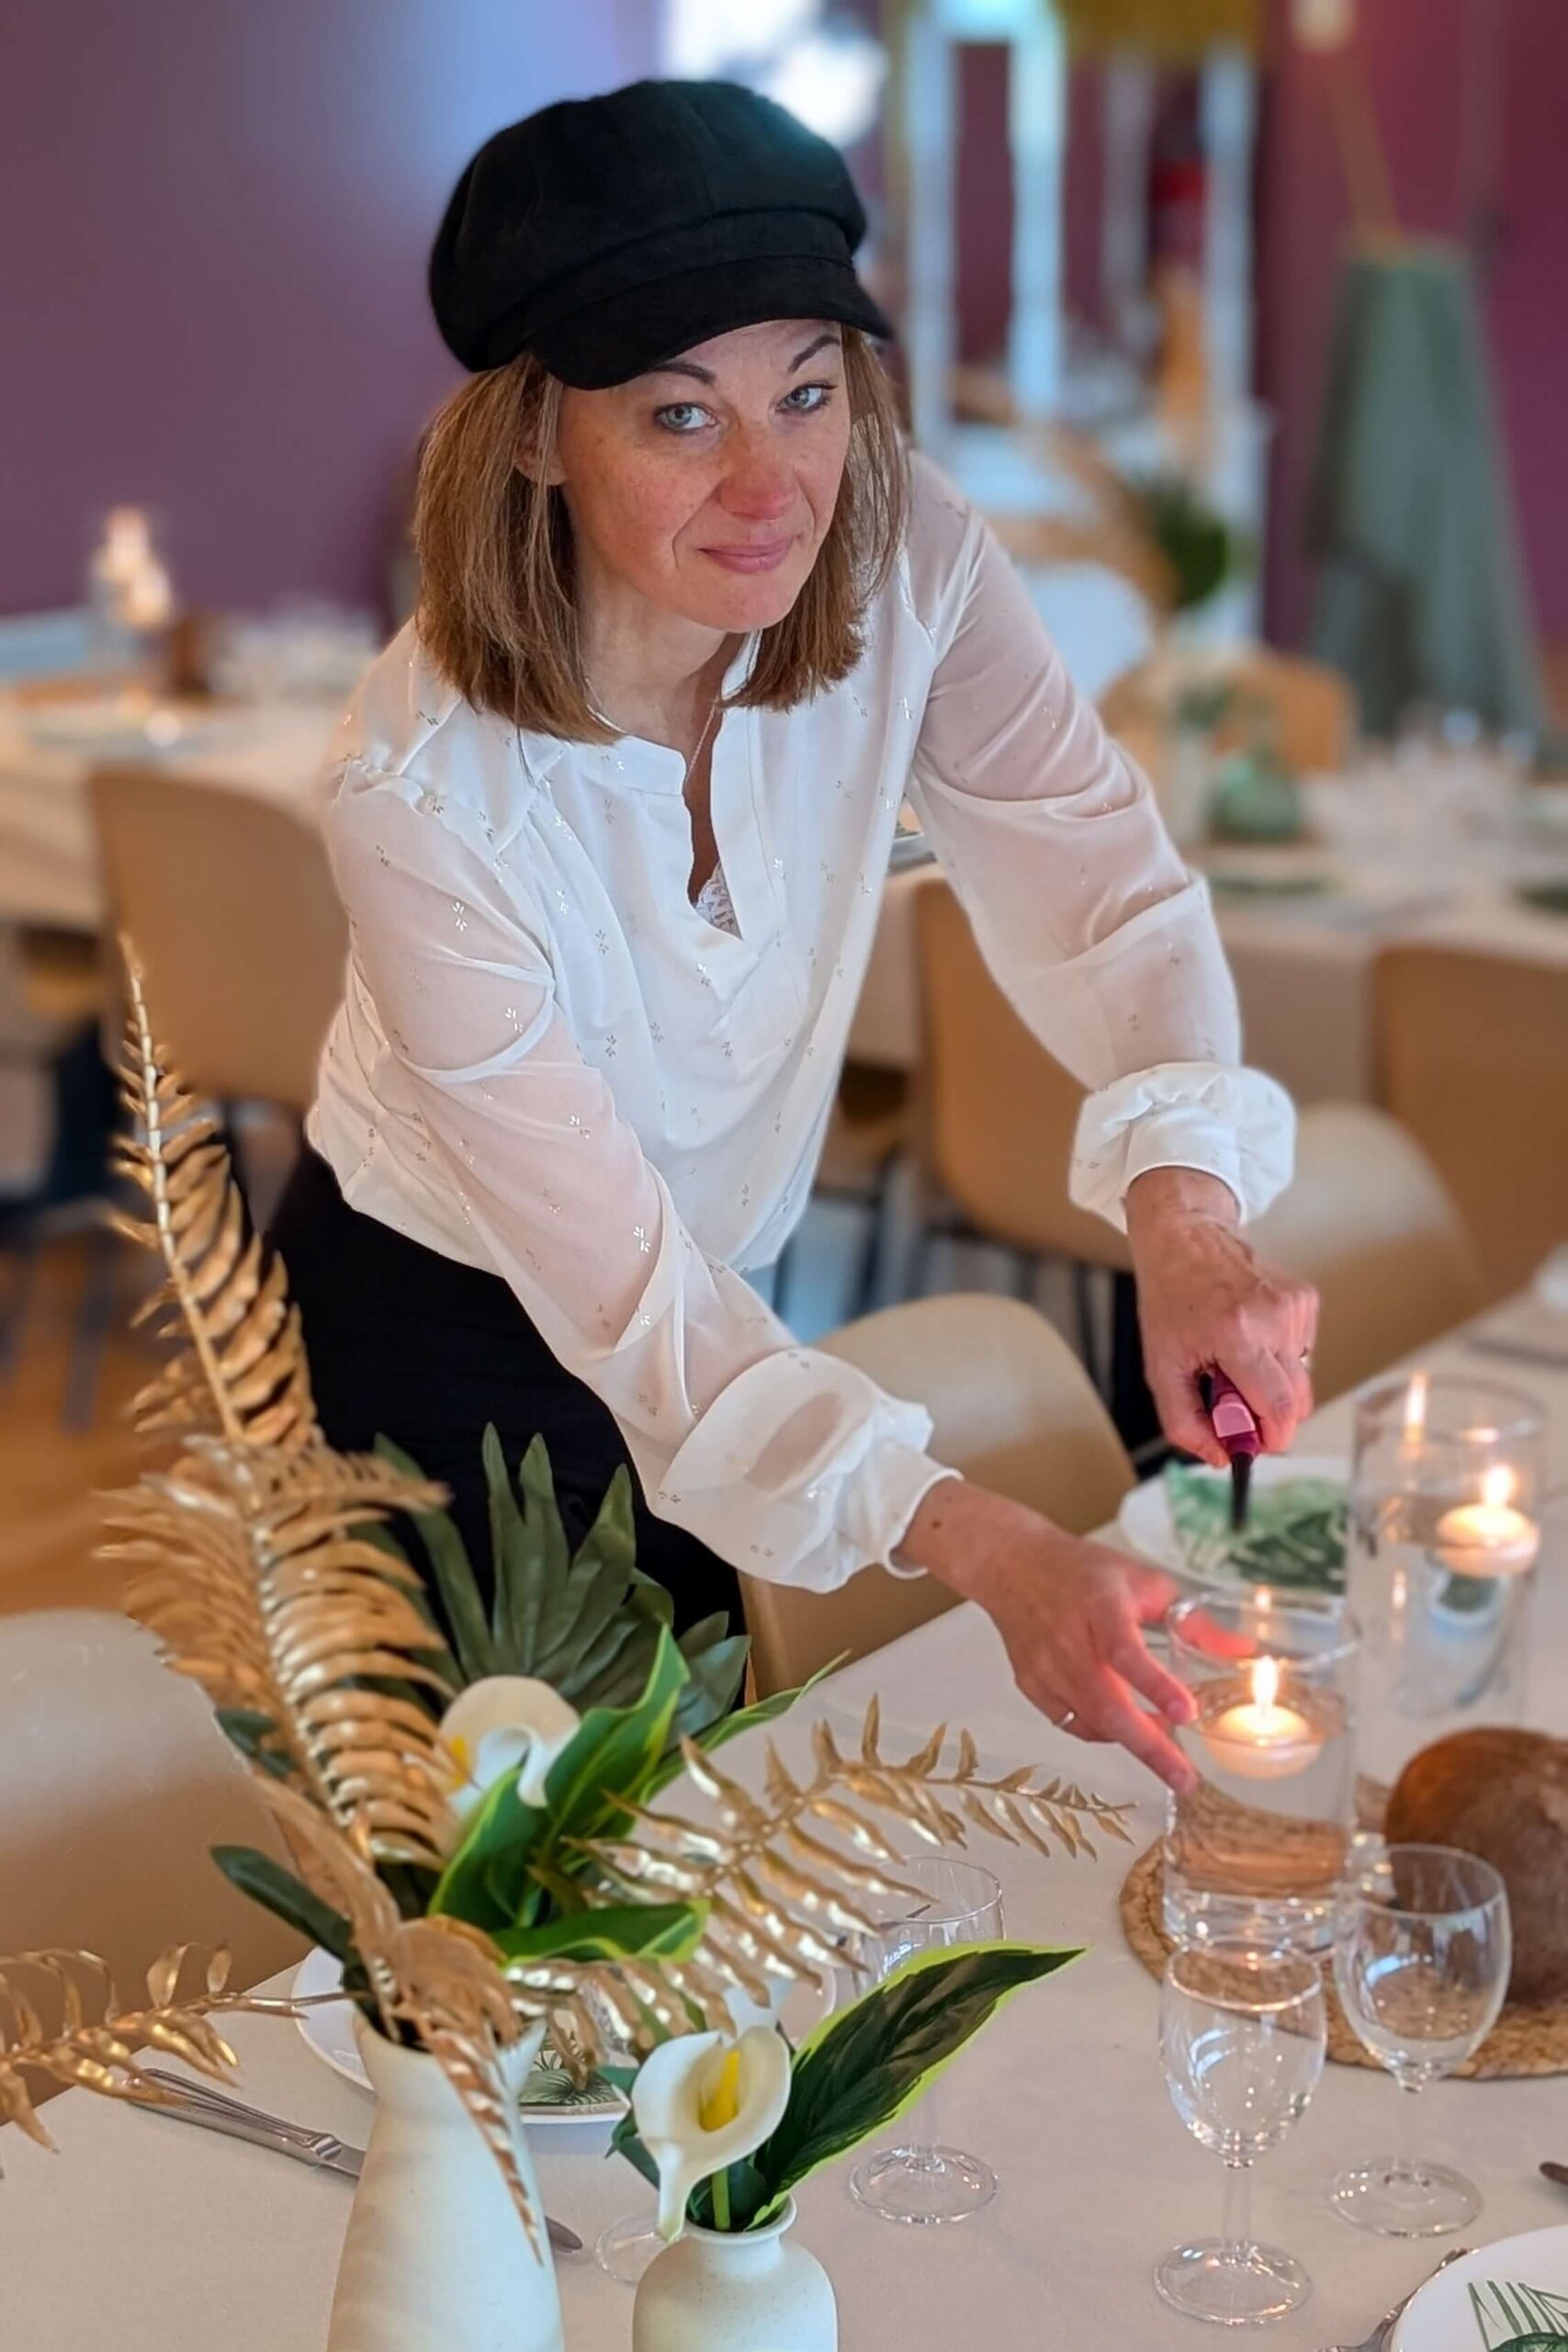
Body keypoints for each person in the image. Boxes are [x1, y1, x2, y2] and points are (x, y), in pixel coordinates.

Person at [269, 80, 1315, 1798]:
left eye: (808, 392)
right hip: (438, 1351)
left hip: (720, 1315)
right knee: (506, 1891)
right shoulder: (424, 795)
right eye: (681, 415)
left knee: (702, 1828)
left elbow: (1102, 882)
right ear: (534, 437)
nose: (773, 485)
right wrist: (983, 1543)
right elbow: (632, 1308)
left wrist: (1187, 1216)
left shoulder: (910, 557)